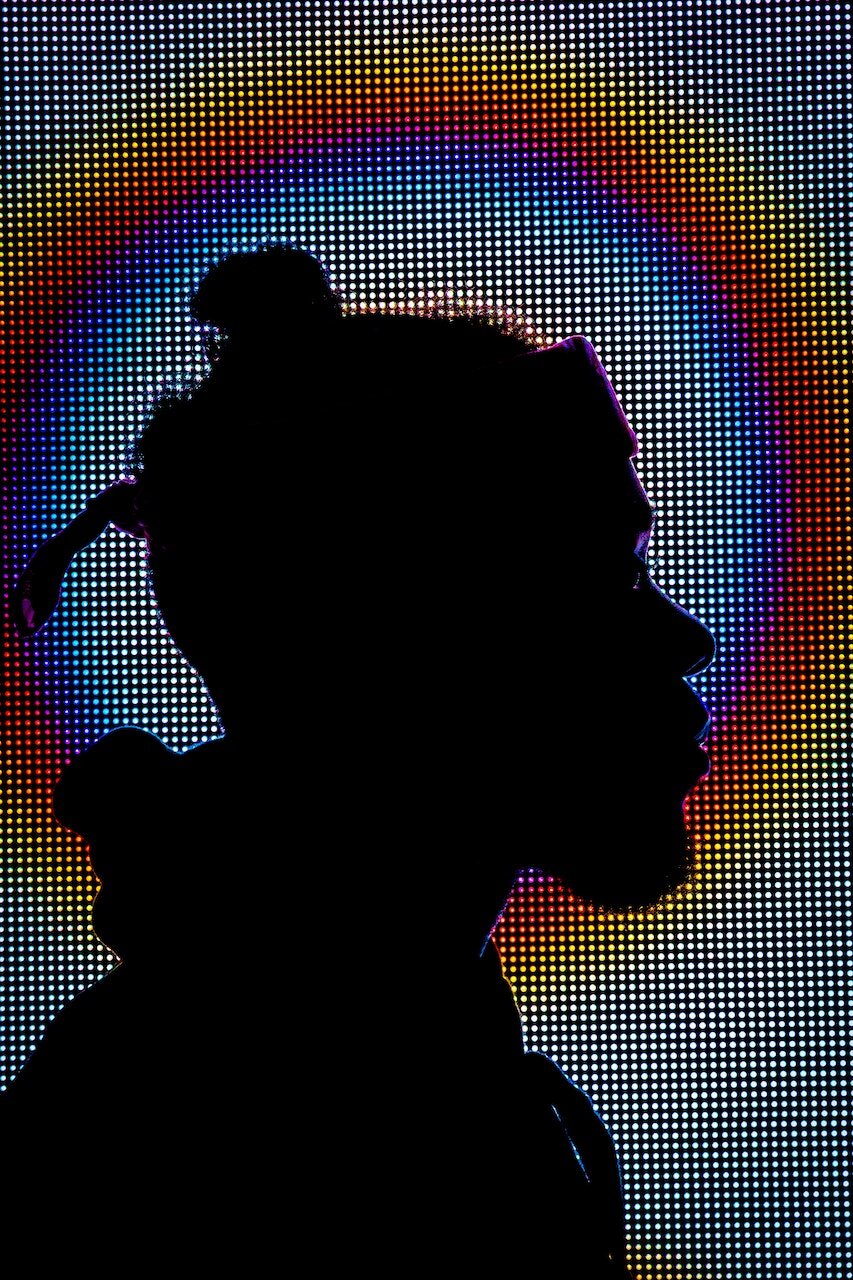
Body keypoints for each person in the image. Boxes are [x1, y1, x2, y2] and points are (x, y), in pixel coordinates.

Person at [4, 246, 714, 1273]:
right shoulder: (205, 1123)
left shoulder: (221, 1066)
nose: (684, 638)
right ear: (394, 641)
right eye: (600, 581)